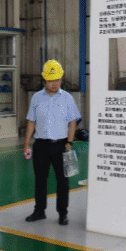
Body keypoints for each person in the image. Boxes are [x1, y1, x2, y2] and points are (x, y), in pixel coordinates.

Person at [23, 60, 80, 226]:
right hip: (41, 145)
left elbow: (73, 122)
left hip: (61, 145)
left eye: (57, 80)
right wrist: (26, 143)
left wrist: (69, 142)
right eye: (50, 80)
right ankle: (39, 211)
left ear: (61, 79)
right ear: (44, 80)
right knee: (40, 180)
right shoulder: (36, 98)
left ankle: (63, 213)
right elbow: (31, 121)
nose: (54, 84)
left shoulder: (67, 98)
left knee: (63, 181)